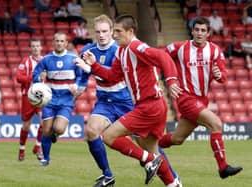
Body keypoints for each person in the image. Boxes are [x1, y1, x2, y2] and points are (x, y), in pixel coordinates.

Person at [75, 14, 182, 187]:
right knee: (153, 152)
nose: (114, 35)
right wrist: (94, 65)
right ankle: (174, 184)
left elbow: (163, 57)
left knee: (109, 137)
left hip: (149, 107)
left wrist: (171, 80)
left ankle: (148, 160)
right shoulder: (122, 51)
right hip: (152, 106)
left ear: (130, 31)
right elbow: (111, 76)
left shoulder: (136, 47)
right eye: (114, 31)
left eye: (117, 31)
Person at [159, 16, 243, 179]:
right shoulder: (180, 47)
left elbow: (223, 77)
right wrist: (170, 78)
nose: (199, 33)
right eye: (196, 29)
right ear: (192, 31)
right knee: (216, 123)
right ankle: (223, 167)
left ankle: (150, 148)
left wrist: (219, 75)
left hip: (201, 100)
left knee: (177, 139)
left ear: (208, 33)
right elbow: (160, 56)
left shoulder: (215, 50)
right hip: (185, 98)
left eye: (203, 30)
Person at [32, 32, 88, 166]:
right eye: (57, 41)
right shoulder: (46, 59)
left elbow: (81, 76)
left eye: (62, 41)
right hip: (49, 100)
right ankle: (46, 159)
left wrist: (76, 85)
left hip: (66, 101)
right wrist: (40, 78)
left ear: (66, 43)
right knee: (46, 130)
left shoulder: (73, 58)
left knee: (59, 129)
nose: (59, 43)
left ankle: (55, 135)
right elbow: (35, 75)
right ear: (53, 42)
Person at [16, 38, 44, 161]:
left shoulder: (46, 61)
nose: (36, 48)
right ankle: (22, 149)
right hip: (28, 96)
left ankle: (38, 146)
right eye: (33, 46)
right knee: (26, 126)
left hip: (42, 96)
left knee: (44, 122)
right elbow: (18, 77)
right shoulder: (25, 61)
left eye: (37, 46)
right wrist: (32, 77)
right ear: (30, 48)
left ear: (41, 47)